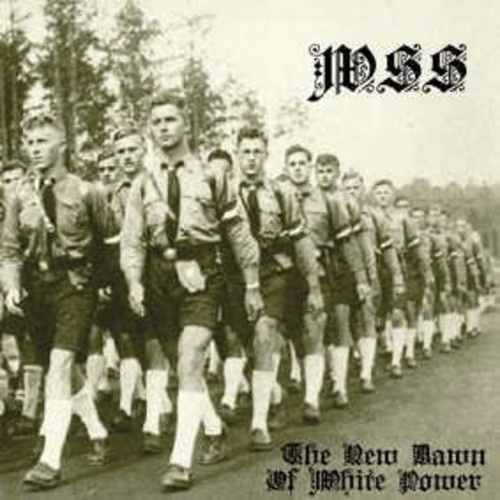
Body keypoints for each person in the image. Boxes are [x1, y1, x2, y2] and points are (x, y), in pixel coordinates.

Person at [120, 92, 263, 491]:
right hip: (158, 277)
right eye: (157, 121)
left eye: (170, 119)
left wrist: (252, 284)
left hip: (203, 273)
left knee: (191, 356)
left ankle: (180, 461)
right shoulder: (143, 181)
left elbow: (238, 232)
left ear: (186, 124)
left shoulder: (212, 175)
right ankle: (213, 428)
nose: (163, 127)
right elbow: (132, 240)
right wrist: (134, 281)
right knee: (182, 364)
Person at [2, 111, 110, 489]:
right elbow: (9, 248)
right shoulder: (18, 195)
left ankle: (50, 460)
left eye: (42, 141)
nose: (34, 149)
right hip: (37, 290)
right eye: (30, 142)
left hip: (75, 286)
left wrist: (106, 284)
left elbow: (107, 242)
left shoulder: (86, 191)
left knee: (61, 365)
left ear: (62, 145)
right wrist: (11, 284)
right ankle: (97, 430)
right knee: (60, 366)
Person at [314, 155, 370, 407]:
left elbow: (355, 242)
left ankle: (340, 386)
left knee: (341, 321)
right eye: (320, 171)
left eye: (329, 171)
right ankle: (329, 375)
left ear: (337, 173)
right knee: (321, 325)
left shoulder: (348, 201)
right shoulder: (309, 199)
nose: (324, 175)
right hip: (319, 268)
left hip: (343, 268)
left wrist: (362, 276)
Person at [342, 170, 405, 389]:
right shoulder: (335, 211)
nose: (352, 192)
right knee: (346, 323)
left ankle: (366, 374)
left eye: (355, 187)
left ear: (363, 189)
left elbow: (387, 249)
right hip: (341, 275)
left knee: (367, 318)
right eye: (347, 188)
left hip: (371, 273)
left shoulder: (374, 215)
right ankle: (342, 373)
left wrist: (396, 276)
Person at [371, 179, 430, 378]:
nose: (382, 196)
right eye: (378, 193)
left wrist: (425, 270)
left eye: (386, 192)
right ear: (373, 195)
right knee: (377, 316)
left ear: (393, 194)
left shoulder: (402, 218)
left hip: (399, 269)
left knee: (399, 313)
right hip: (376, 269)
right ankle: (374, 356)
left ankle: (398, 360)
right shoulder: (368, 216)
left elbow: (415, 246)